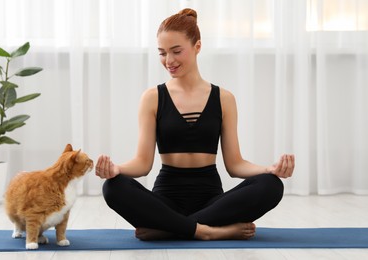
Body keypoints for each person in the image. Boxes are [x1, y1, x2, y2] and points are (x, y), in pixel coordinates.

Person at [95, 8, 294, 241]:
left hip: (211, 201)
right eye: (162, 53)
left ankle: (171, 229)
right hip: (165, 200)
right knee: (113, 187)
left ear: (197, 46)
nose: (168, 61)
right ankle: (208, 231)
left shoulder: (224, 98)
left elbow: (235, 164)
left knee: (271, 185)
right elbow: (142, 164)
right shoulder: (153, 97)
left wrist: (268, 170)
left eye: (176, 51)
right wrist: (116, 170)